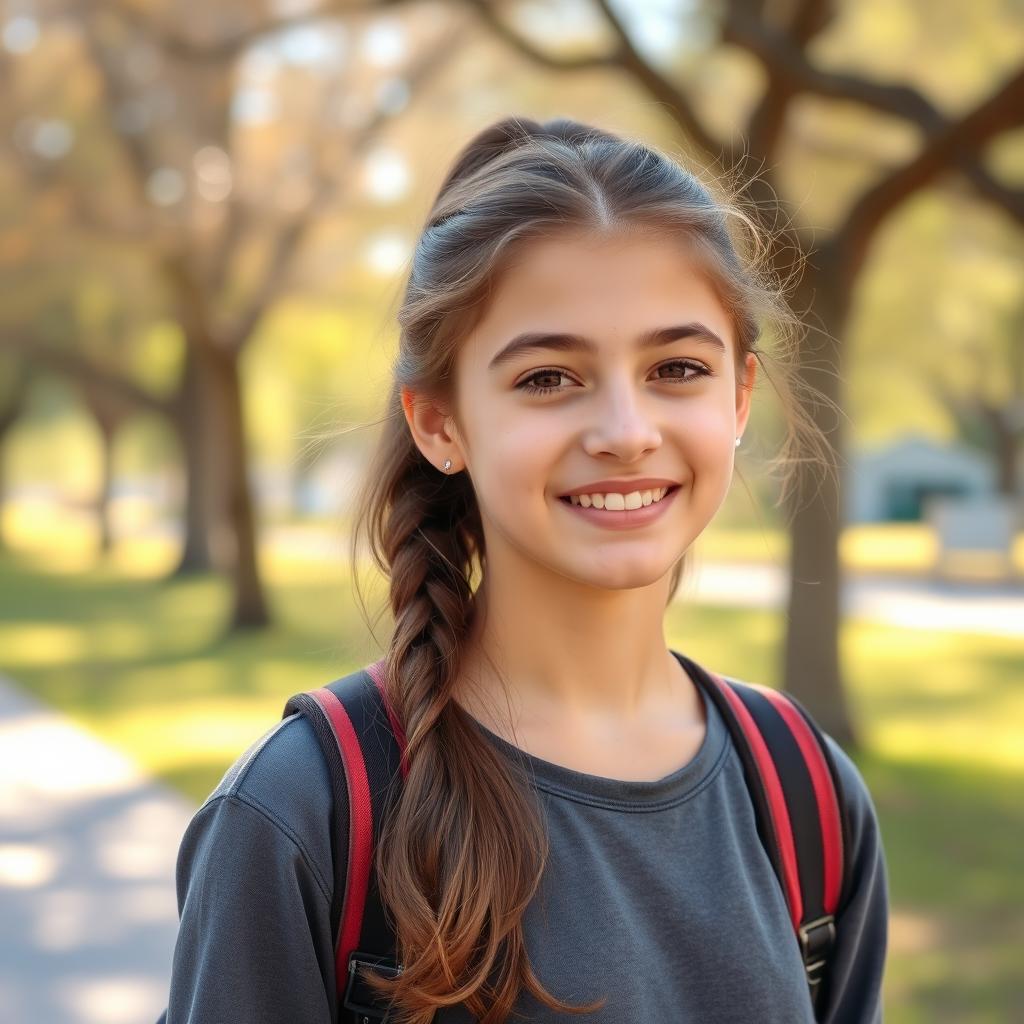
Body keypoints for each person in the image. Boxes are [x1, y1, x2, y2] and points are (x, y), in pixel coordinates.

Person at [159, 115, 887, 1024]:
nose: (626, 431)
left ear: (739, 396)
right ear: (438, 422)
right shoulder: (300, 814)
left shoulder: (806, 795)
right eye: (548, 378)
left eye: (676, 367)